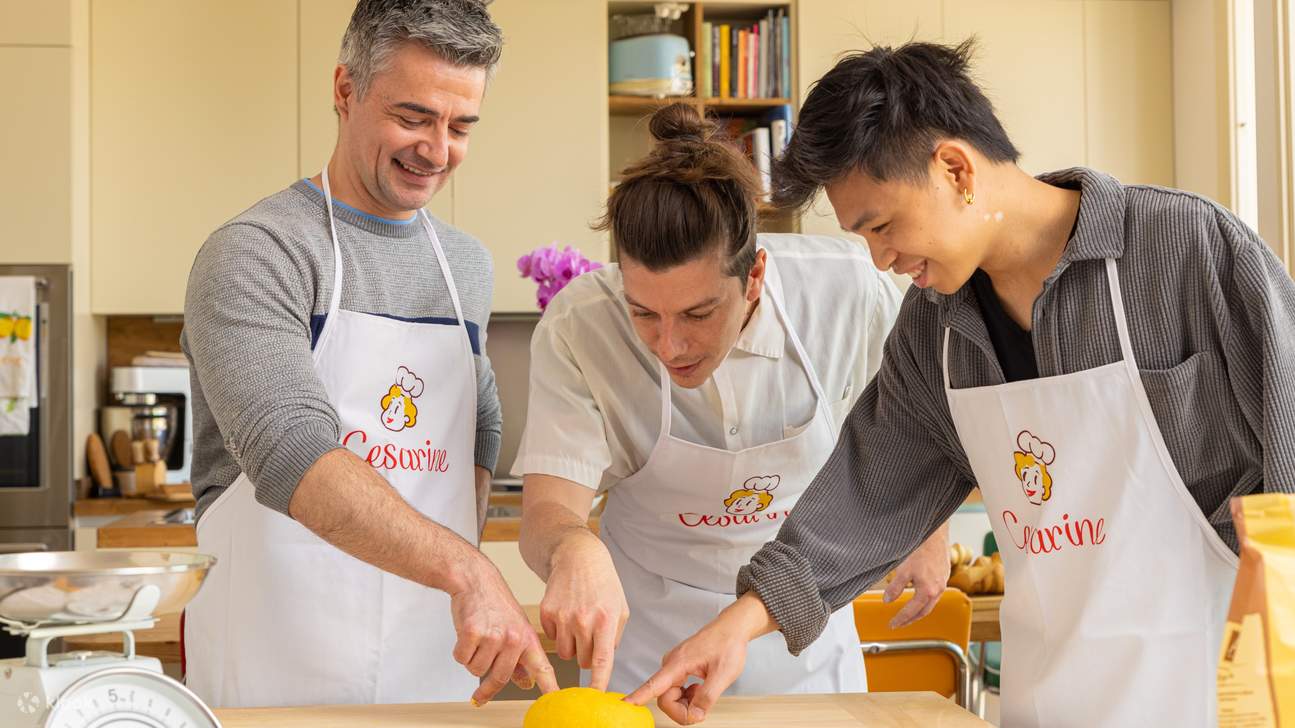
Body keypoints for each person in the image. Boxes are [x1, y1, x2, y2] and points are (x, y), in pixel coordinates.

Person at [629, 40, 1295, 727]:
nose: (879, 258)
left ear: (954, 169)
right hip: (1045, 703)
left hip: (1212, 697)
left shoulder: (1182, 250)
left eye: (881, 225)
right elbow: (867, 493)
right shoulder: (933, 330)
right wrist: (735, 627)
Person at [181, 0, 556, 709]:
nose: (437, 149)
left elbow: (478, 421)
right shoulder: (258, 251)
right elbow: (289, 446)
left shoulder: (466, 266)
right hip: (274, 666)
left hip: (431, 662)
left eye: (461, 125)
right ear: (345, 89)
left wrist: (456, 575)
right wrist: (467, 571)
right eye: (413, 117)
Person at [514, 103, 952, 697]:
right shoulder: (580, 326)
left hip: (804, 632)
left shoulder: (848, 290)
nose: (669, 343)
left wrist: (929, 531)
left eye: (698, 313)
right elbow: (547, 511)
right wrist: (571, 547)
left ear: (754, 277)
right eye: (644, 312)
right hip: (652, 645)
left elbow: (920, 419)